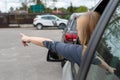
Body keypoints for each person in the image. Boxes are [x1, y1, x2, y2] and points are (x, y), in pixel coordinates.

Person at [20, 11, 115, 73]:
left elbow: (48, 43)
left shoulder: (78, 52)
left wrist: (28, 38)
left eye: (78, 29)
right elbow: (97, 59)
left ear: (83, 33)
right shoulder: (98, 49)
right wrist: (109, 68)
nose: (77, 32)